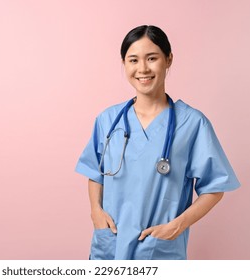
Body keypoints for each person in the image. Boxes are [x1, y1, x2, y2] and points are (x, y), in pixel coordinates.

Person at [75, 25, 240, 260]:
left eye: (152, 58)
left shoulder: (192, 123)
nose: (142, 69)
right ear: (124, 64)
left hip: (158, 250)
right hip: (109, 246)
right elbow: (94, 172)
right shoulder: (108, 120)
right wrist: (95, 211)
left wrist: (178, 226)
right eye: (133, 60)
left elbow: (215, 187)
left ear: (168, 59)